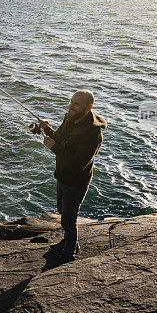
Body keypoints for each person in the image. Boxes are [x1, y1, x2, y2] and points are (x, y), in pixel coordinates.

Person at [39, 90, 107, 262]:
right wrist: (48, 129)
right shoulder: (70, 117)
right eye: (71, 101)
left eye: (76, 103)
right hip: (62, 177)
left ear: (89, 107)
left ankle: (69, 253)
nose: (71, 106)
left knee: (69, 219)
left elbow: (79, 162)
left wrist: (54, 148)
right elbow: (59, 138)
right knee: (63, 212)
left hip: (76, 182)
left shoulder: (93, 134)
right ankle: (69, 242)